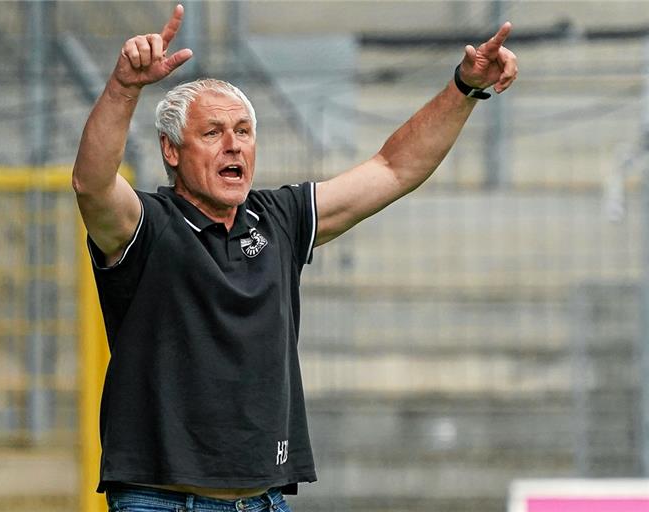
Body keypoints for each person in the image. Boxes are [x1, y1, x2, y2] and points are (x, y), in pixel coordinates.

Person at [72, 4, 518, 512]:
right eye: (213, 133)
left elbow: (395, 168)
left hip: (262, 501)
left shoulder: (279, 219)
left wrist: (464, 88)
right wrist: (125, 88)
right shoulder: (145, 226)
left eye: (243, 131)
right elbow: (92, 184)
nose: (233, 146)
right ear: (171, 151)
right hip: (160, 501)